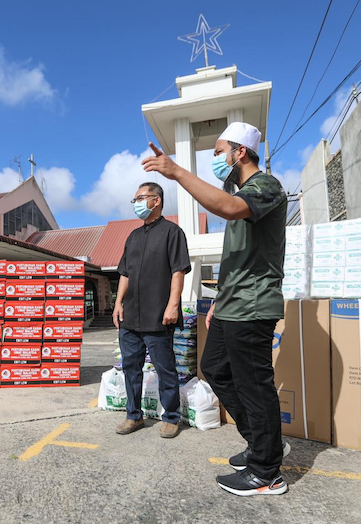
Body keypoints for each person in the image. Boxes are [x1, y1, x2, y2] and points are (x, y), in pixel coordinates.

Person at [142, 122, 289, 496]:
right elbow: (238, 259)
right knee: (215, 370)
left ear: (241, 152)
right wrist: (219, 300)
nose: (217, 160)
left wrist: (176, 172)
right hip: (231, 305)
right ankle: (263, 443)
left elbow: (225, 206)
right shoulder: (244, 196)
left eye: (219, 151)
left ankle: (266, 473)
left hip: (253, 306)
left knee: (255, 386)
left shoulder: (264, 187)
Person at [113, 182, 191, 439]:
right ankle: (133, 416)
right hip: (130, 317)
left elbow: (178, 271)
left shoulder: (172, 232)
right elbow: (124, 273)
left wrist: (173, 304)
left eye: (140, 198)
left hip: (158, 316)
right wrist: (117, 303)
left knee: (165, 368)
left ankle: (171, 417)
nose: (135, 203)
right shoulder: (133, 237)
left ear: (156, 201)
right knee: (130, 368)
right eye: (134, 199)